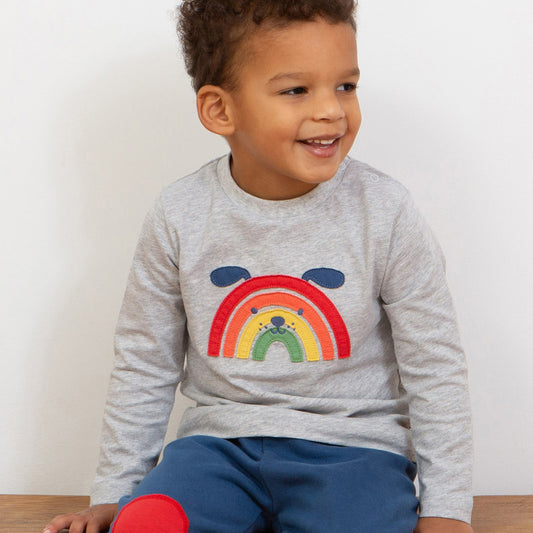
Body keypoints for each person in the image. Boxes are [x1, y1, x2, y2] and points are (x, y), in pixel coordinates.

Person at [44, 1, 474, 532]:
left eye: (346, 85)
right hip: (215, 453)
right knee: (147, 524)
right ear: (220, 110)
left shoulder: (386, 212)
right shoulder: (178, 214)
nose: (332, 111)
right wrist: (116, 492)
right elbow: (144, 364)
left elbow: (435, 366)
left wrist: (447, 509)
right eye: (296, 90)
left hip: (354, 455)